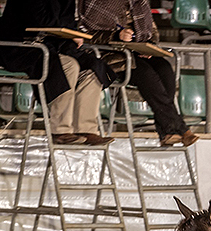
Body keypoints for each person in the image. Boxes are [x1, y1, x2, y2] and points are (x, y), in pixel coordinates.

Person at [78, 0, 199, 147]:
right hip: (110, 55)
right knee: (145, 73)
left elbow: (151, 31)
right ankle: (179, 129)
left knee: (164, 69)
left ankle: (168, 132)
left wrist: (149, 44)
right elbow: (86, 33)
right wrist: (117, 35)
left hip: (136, 52)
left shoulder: (139, 2)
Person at [0, 0, 116, 145]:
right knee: (69, 66)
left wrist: (71, 35)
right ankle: (60, 130)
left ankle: (86, 129)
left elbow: (67, 23)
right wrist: (67, 33)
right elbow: (38, 20)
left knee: (92, 68)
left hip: (52, 47)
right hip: (22, 46)